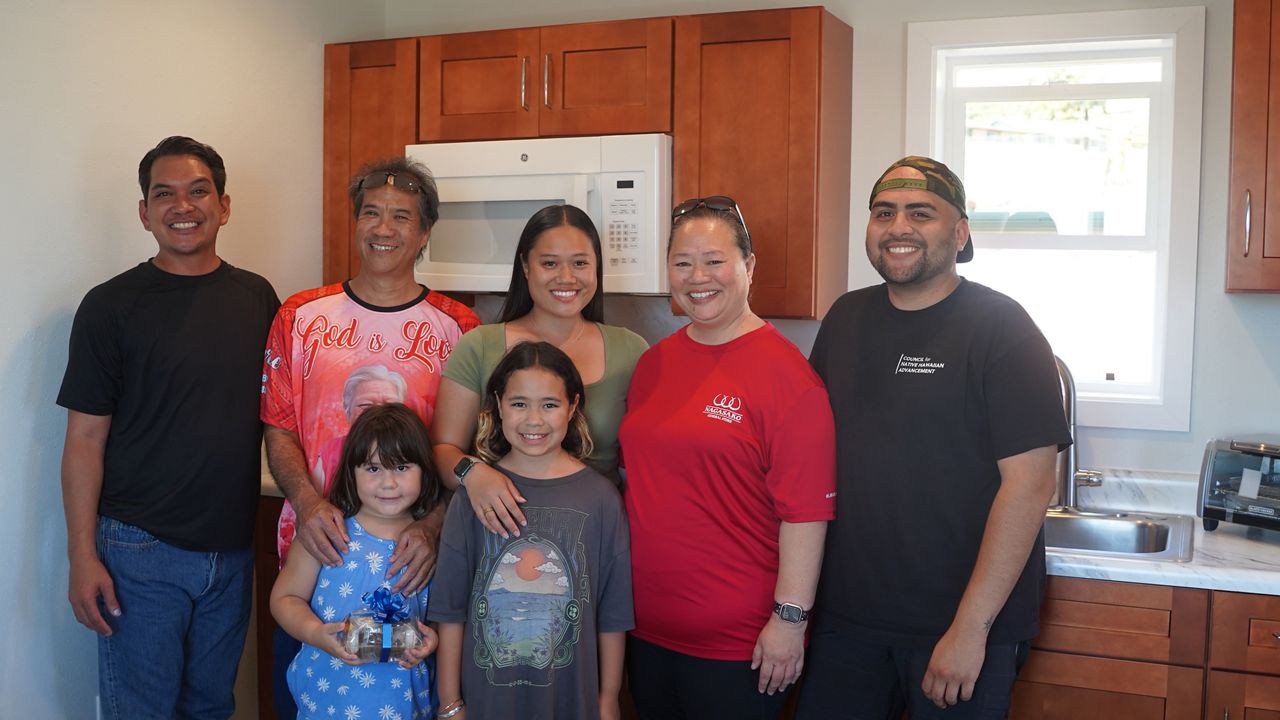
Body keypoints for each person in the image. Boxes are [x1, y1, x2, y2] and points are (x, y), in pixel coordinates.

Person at [797, 156, 1072, 719]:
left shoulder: (1003, 328)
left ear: (960, 231)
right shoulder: (845, 319)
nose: (898, 226)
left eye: (920, 213)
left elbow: (1030, 485)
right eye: (884, 212)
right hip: (848, 624)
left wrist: (970, 630)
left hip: (960, 629)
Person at [57, 135, 280, 719]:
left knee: (210, 708)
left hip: (231, 550)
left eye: (198, 191)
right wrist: (82, 556)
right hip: (138, 549)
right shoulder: (110, 306)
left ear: (224, 206)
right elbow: (84, 438)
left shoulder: (258, 298)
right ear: (145, 212)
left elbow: (282, 416)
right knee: (143, 711)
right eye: (165, 195)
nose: (183, 206)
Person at [261, 156, 480, 717]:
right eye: (372, 214)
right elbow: (278, 425)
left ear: (425, 231)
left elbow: (469, 452)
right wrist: (309, 505)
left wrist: (432, 526)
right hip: (315, 557)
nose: (384, 229)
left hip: (420, 567)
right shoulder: (301, 315)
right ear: (355, 222)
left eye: (402, 217)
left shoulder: (461, 329)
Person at [617, 196, 836, 719]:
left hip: (739, 646)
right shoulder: (654, 364)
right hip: (643, 631)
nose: (698, 277)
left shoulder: (789, 378)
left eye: (714, 260)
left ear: (748, 266)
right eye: (683, 262)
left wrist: (790, 620)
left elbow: (806, 513)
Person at [429, 341, 633, 720]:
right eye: (519, 403)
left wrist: (607, 700)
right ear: (497, 405)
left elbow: (613, 613)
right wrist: (449, 703)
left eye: (550, 405)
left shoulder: (601, 499)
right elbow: (450, 609)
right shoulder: (471, 497)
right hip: (486, 702)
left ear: (572, 407)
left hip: (573, 701)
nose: (534, 420)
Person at [432, 204, 647, 538]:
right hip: (497, 535)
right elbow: (443, 452)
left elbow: (651, 463)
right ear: (525, 266)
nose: (566, 277)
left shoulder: (631, 351)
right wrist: (474, 473)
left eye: (580, 263)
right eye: (549, 263)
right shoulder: (479, 346)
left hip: (593, 536)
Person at [271, 403, 443, 720]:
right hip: (326, 703)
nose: (388, 483)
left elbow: (443, 618)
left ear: (425, 471)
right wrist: (315, 632)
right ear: (352, 471)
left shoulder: (431, 547)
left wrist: (433, 637)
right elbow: (285, 598)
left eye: (402, 468)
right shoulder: (327, 534)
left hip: (403, 707)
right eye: (373, 468)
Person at [314, 364, 410, 491]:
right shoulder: (331, 453)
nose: (378, 413)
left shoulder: (412, 449)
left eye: (389, 406)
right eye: (366, 405)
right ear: (347, 409)